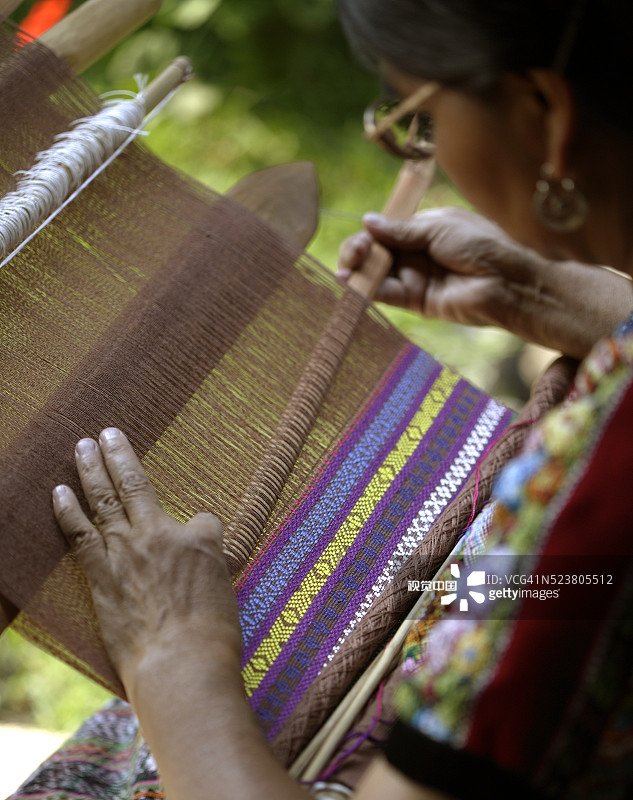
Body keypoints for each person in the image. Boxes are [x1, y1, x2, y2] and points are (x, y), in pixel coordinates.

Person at [19, 0, 633, 798]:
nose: (423, 150)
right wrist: (559, 298)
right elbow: (578, 587)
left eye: (416, 117)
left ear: (545, 111)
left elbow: (575, 578)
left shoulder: (604, 484)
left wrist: (172, 659)